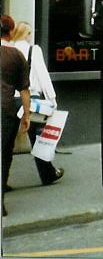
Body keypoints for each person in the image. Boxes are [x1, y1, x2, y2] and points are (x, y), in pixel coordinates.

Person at [8, 21, 64, 185]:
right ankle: (47, 174)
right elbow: (43, 76)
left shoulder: (8, 50)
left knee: (7, 141)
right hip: (31, 99)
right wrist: (52, 99)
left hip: (11, 99)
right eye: (30, 33)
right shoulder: (34, 50)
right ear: (26, 34)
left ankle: (2, 181)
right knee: (38, 139)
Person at [1, 15, 30, 217]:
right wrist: (26, 115)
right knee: (4, 155)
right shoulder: (17, 55)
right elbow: (24, 90)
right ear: (11, 32)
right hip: (6, 109)